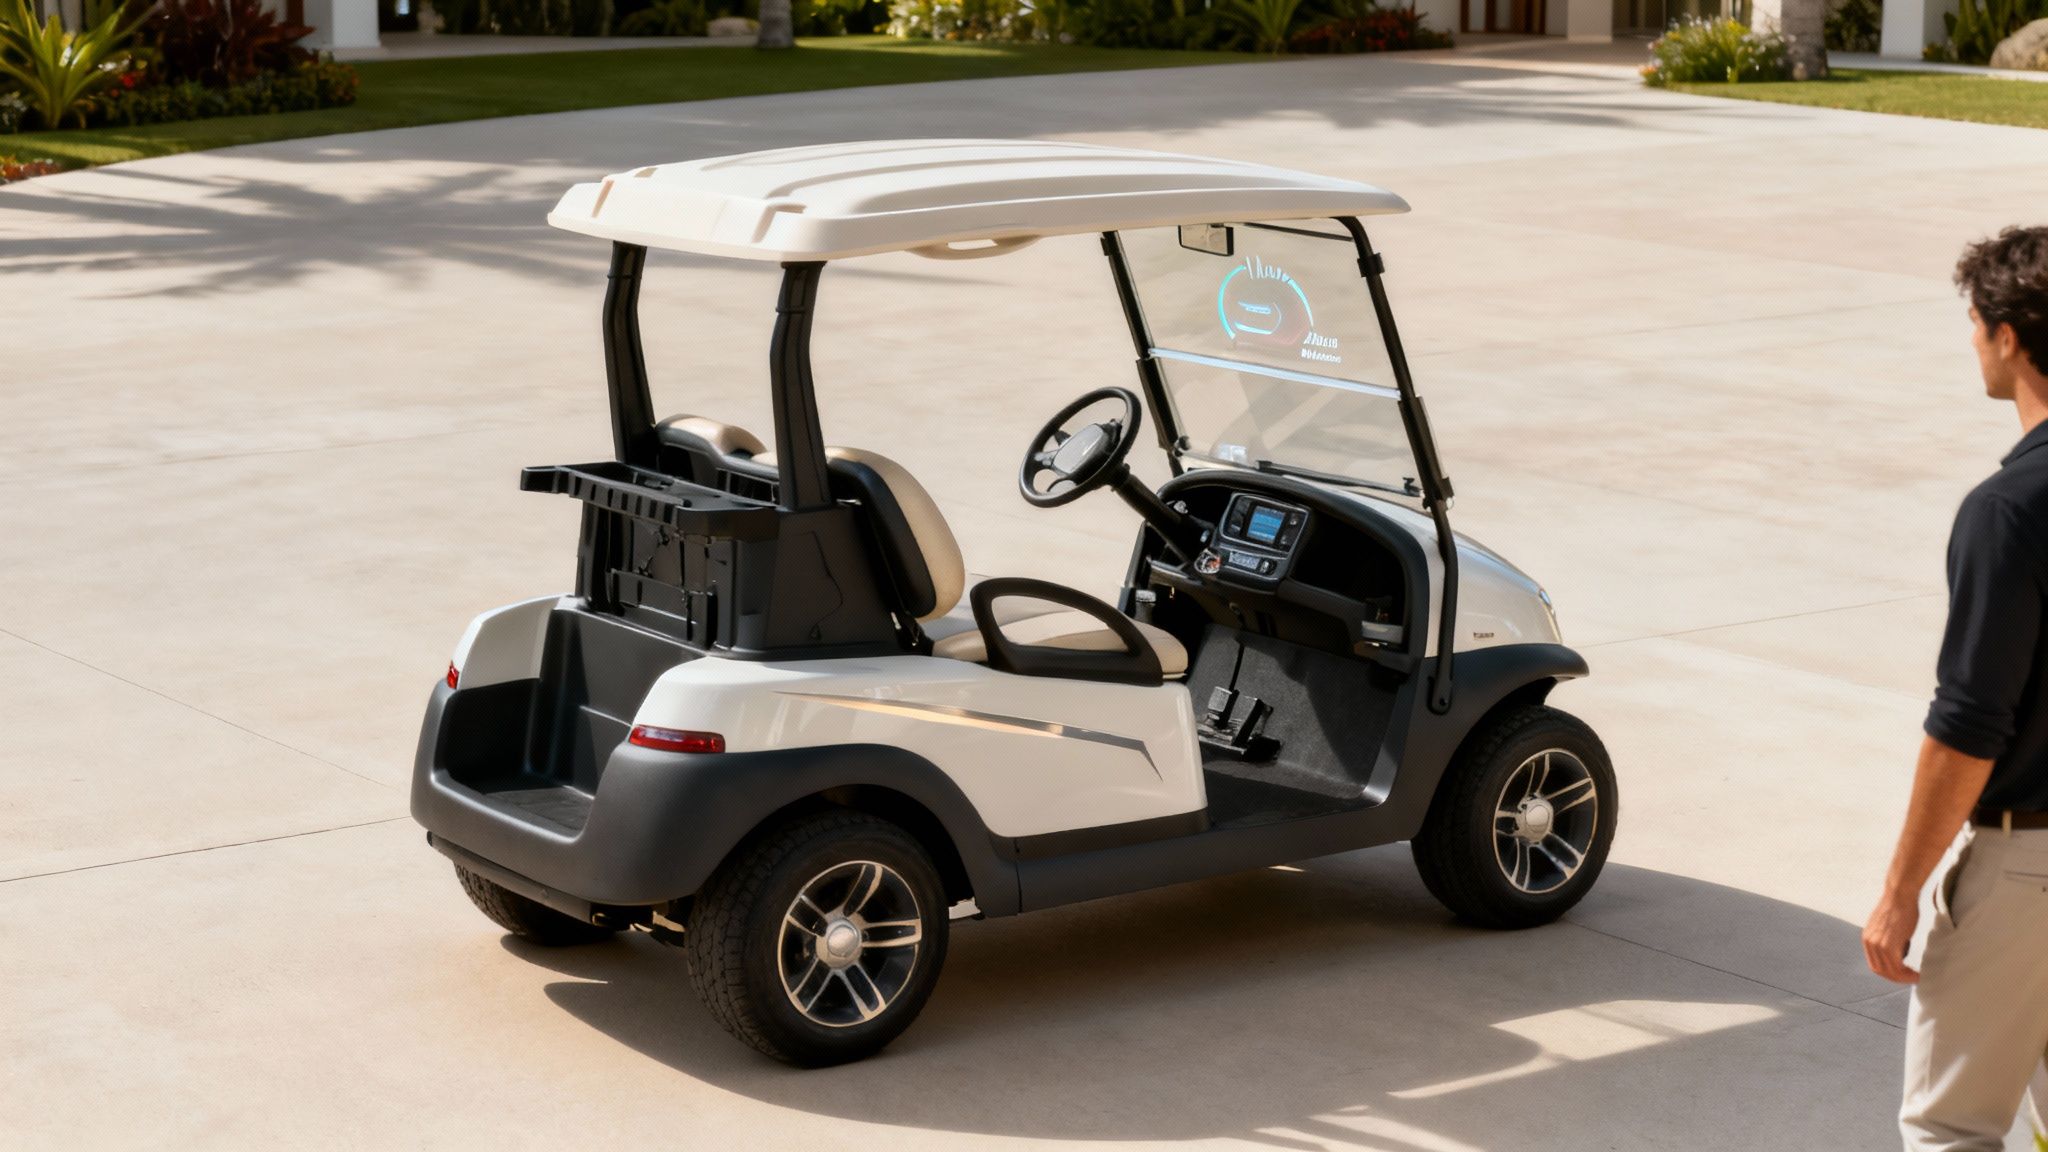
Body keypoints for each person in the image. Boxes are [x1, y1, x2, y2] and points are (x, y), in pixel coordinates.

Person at [1863, 224, 2048, 1152]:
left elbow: (1970, 722)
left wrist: (1901, 889)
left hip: (2029, 873)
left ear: (2008, 336)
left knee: (1951, 1128)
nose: (1972, 340)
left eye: (1974, 322)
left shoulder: (2007, 512)